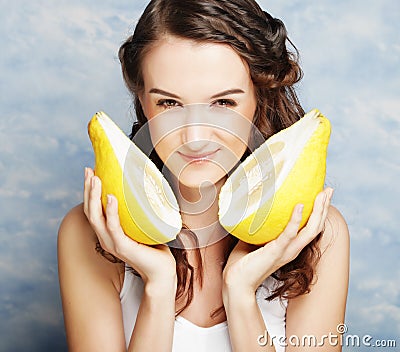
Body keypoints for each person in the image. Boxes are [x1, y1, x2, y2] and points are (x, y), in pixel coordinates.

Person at [58, 0, 350, 351]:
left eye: (223, 103)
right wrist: (158, 288)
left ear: (261, 96)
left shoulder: (317, 233)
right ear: (142, 100)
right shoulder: (89, 230)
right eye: (169, 103)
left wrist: (240, 293)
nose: (194, 136)